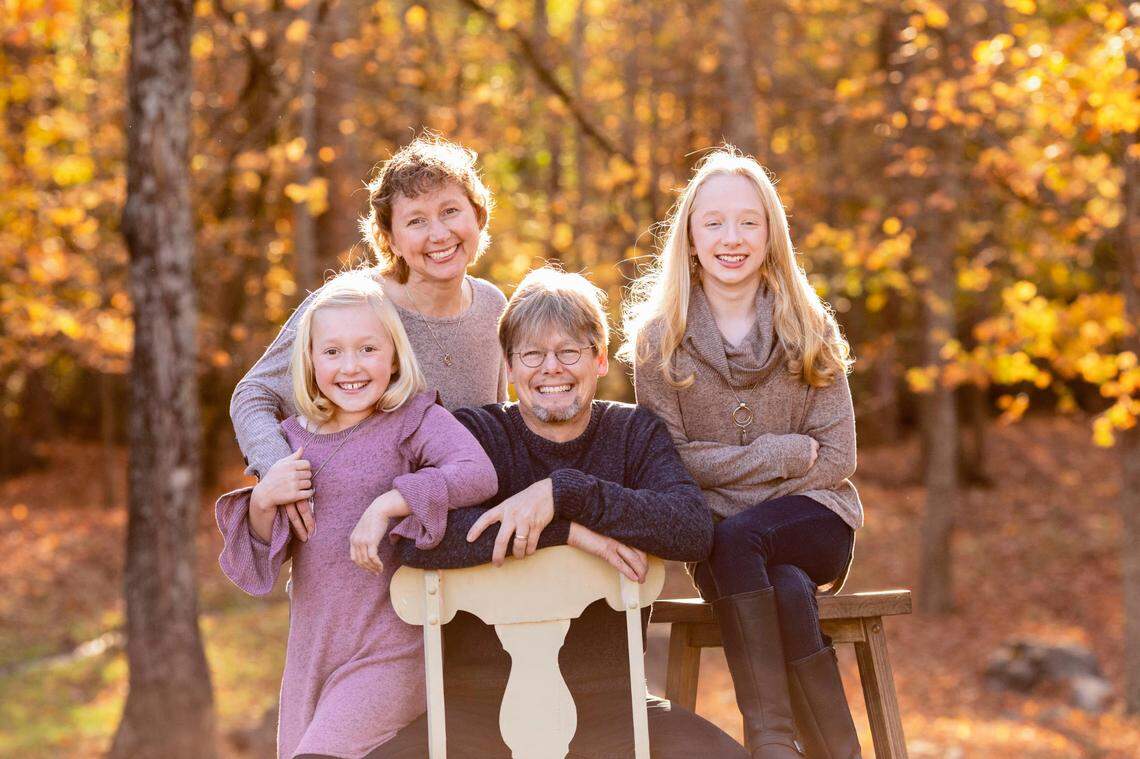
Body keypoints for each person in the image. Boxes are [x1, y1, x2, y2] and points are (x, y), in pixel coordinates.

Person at [372, 267, 748, 758]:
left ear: (599, 360)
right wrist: (564, 532)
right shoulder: (476, 434)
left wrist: (566, 492)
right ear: (508, 366)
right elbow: (413, 536)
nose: (551, 368)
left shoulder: (634, 434)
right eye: (532, 354)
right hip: (472, 706)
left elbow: (691, 529)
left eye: (569, 352)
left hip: (613, 701)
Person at [621, 147, 863, 758]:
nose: (733, 238)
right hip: (728, 544)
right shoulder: (659, 340)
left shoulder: (810, 326)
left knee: (740, 538)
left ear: (770, 233)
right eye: (715, 223)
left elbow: (837, 457)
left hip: (816, 520)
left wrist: (730, 487)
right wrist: (782, 454)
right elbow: (668, 463)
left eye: (748, 222)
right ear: (691, 237)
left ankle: (769, 743)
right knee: (779, 583)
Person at [215, 272, 498, 759]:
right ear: (308, 361)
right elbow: (262, 558)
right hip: (313, 653)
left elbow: (478, 473)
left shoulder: (414, 420)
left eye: (368, 349)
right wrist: (264, 499)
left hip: (392, 650)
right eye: (332, 352)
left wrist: (391, 502)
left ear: (393, 357)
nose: (351, 367)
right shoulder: (294, 440)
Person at [230, 134, 507, 543]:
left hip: (464, 546)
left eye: (451, 211)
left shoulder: (493, 305)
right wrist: (277, 470)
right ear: (390, 239)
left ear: (478, 216)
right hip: (360, 551)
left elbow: (494, 429)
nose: (439, 233)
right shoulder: (352, 305)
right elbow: (253, 394)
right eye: (416, 220)